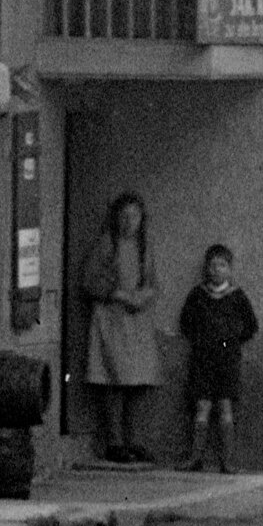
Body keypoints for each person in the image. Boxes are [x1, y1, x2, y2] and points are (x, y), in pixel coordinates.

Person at [80, 190, 164, 467]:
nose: (129, 222)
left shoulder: (144, 247)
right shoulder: (107, 244)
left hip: (137, 321)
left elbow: (153, 282)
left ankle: (134, 441)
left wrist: (142, 296)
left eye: (135, 216)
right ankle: (114, 443)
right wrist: (118, 294)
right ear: (115, 218)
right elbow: (89, 281)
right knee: (114, 380)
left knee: (137, 382)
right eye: (124, 216)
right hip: (112, 319)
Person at [177, 243, 257, 472]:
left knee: (225, 406)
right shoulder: (198, 295)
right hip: (202, 359)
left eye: (222, 265)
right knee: (202, 406)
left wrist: (230, 341)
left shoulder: (237, 296)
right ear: (206, 268)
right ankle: (195, 457)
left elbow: (251, 325)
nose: (216, 270)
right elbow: (186, 322)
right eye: (212, 265)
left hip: (227, 360)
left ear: (229, 270)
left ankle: (227, 461)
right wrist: (201, 340)